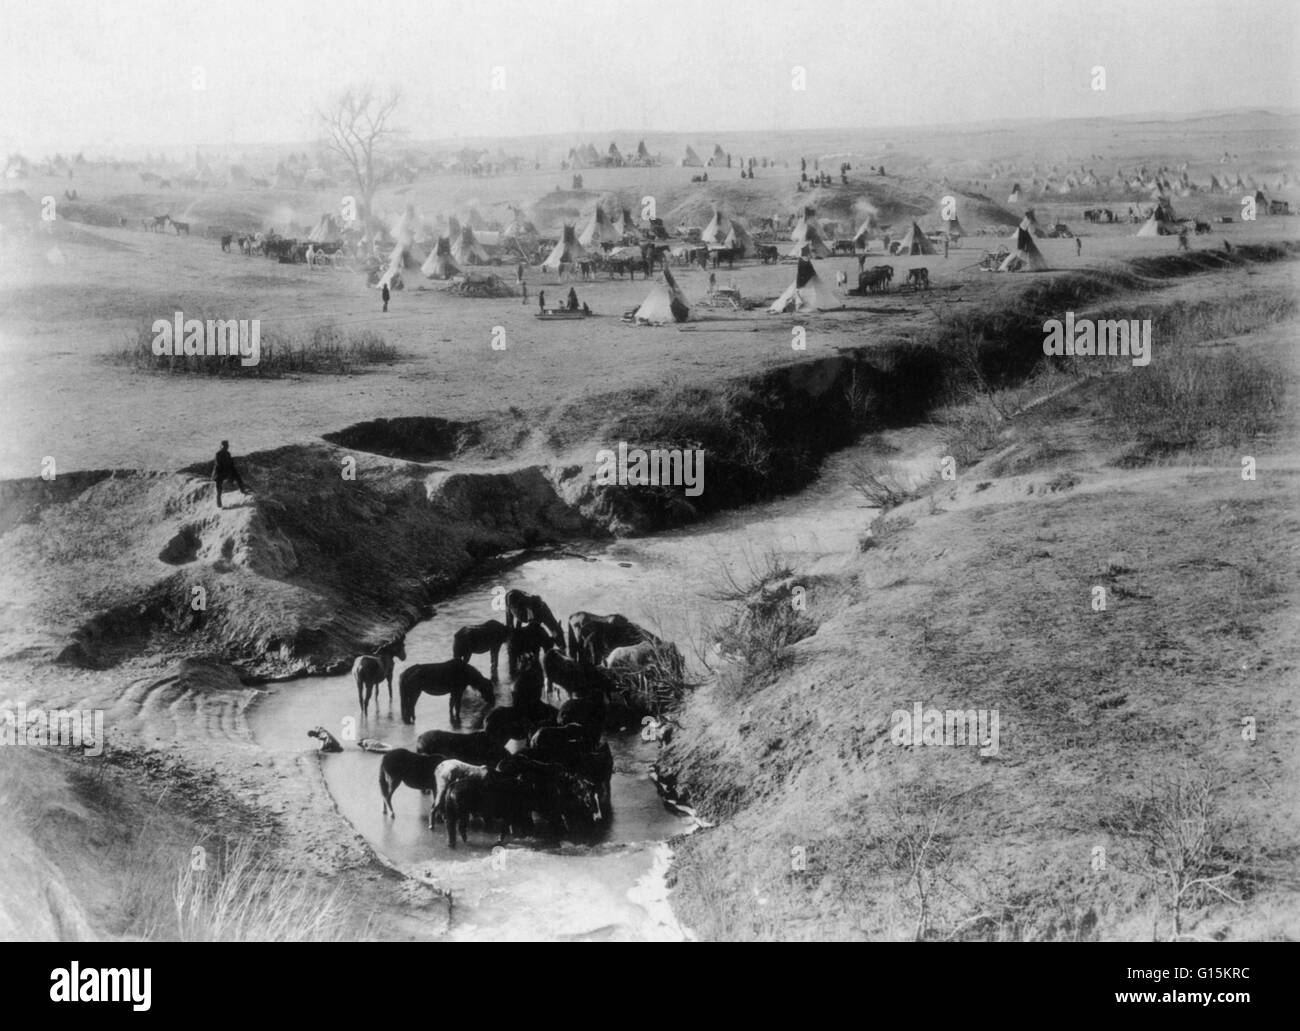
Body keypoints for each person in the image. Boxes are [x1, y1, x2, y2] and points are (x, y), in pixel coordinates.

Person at [212, 440, 250, 509]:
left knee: (238, 476)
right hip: (219, 472)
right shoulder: (218, 454)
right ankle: (219, 504)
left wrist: (233, 473)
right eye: (224, 446)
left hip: (226, 471)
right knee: (219, 489)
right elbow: (218, 465)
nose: (226, 447)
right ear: (221, 446)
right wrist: (226, 472)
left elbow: (231, 464)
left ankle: (242, 490)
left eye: (227, 446)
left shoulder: (228, 453)